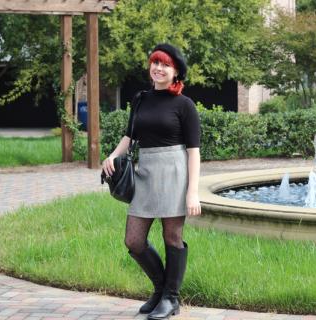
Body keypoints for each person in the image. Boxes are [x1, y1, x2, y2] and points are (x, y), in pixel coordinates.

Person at [102, 43, 201, 320]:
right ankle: (160, 290)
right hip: (144, 171)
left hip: (174, 172)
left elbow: (193, 152)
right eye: (155, 63)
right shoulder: (141, 99)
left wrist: (192, 192)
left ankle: (171, 298)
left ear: (176, 72)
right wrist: (112, 156)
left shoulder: (185, 105)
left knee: (172, 236)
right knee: (134, 240)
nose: (158, 68)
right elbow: (129, 136)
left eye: (165, 65)